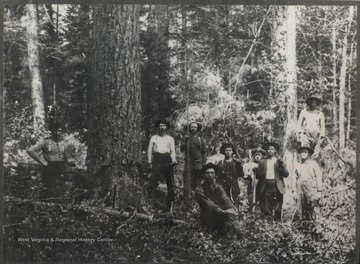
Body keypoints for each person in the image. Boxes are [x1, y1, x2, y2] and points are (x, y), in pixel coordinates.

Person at [27, 121, 75, 199]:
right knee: (50, 188)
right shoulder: (46, 142)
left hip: (61, 167)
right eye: (55, 130)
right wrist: (42, 161)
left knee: (62, 187)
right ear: (51, 131)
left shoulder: (64, 144)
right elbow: (30, 150)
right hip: (50, 167)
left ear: (61, 132)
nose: (57, 133)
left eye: (59, 131)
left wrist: (75, 163)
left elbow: (67, 160)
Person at [195, 163, 241, 237]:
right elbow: (209, 204)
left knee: (234, 225)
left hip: (220, 215)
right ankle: (210, 232)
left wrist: (233, 209)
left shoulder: (218, 187)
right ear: (203, 175)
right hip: (208, 217)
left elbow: (225, 199)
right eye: (207, 173)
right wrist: (224, 211)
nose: (210, 175)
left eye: (212, 173)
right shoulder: (199, 189)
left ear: (215, 174)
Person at [147, 119, 177, 213]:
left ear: (167, 127)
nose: (162, 128)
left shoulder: (170, 138)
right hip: (157, 159)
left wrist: (173, 159)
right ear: (158, 127)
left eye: (164, 126)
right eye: (160, 126)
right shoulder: (154, 138)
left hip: (167, 159)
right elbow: (149, 150)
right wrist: (149, 162)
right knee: (153, 182)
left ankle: (170, 206)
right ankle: (152, 204)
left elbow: (172, 151)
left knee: (170, 184)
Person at [256, 142, 289, 222]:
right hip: (266, 185)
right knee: (267, 205)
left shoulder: (279, 161)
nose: (270, 151)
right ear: (266, 151)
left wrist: (282, 165)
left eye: (272, 149)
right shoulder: (262, 162)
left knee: (278, 205)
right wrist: (256, 171)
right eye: (268, 149)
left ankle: (278, 223)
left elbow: (286, 174)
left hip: (277, 185)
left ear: (275, 151)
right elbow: (258, 176)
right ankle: (269, 223)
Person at [294, 145, 322, 223]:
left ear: (309, 154)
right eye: (302, 152)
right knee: (301, 209)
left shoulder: (313, 164)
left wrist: (319, 191)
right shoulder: (298, 165)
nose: (303, 154)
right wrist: (295, 191)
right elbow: (296, 178)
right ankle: (303, 227)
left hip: (311, 190)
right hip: (300, 189)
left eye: (305, 152)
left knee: (313, 208)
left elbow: (319, 177)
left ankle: (317, 226)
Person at [180, 121, 206, 203]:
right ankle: (187, 200)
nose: (193, 128)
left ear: (197, 129)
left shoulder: (200, 139)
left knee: (198, 182)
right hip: (189, 162)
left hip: (198, 163)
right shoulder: (186, 138)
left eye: (195, 127)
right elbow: (182, 149)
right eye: (192, 127)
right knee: (187, 180)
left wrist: (204, 165)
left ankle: (197, 200)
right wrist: (185, 141)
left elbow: (204, 153)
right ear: (189, 128)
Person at [243, 147, 267, 212]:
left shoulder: (264, 164)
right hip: (253, 183)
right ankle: (252, 210)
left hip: (262, 184)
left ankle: (262, 211)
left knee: (262, 197)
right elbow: (246, 174)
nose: (257, 156)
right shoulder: (251, 164)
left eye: (259, 155)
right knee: (252, 197)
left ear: (262, 156)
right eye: (256, 155)